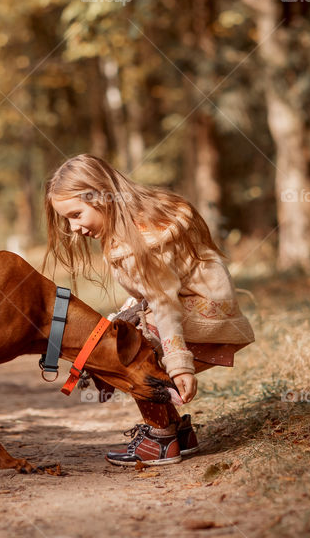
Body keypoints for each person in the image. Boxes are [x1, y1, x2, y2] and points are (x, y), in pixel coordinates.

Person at [42, 154, 255, 465]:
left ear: (101, 196)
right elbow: (161, 290)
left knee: (124, 352)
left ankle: (161, 439)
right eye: (67, 220)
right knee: (115, 332)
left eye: (76, 214)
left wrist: (179, 365)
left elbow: (164, 304)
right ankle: (179, 434)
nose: (74, 228)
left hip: (202, 320)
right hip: (209, 309)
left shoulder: (136, 243)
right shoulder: (146, 215)